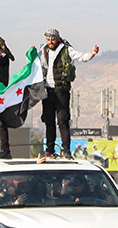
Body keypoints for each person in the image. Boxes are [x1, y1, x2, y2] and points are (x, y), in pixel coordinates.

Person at [38, 29, 99, 158]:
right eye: (48, 39)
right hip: (47, 90)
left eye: (52, 39)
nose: (50, 42)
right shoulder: (43, 50)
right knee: (49, 122)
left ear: (58, 38)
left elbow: (81, 57)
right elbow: (34, 63)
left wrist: (92, 54)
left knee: (63, 121)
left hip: (61, 91)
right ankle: (49, 149)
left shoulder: (66, 49)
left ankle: (66, 150)